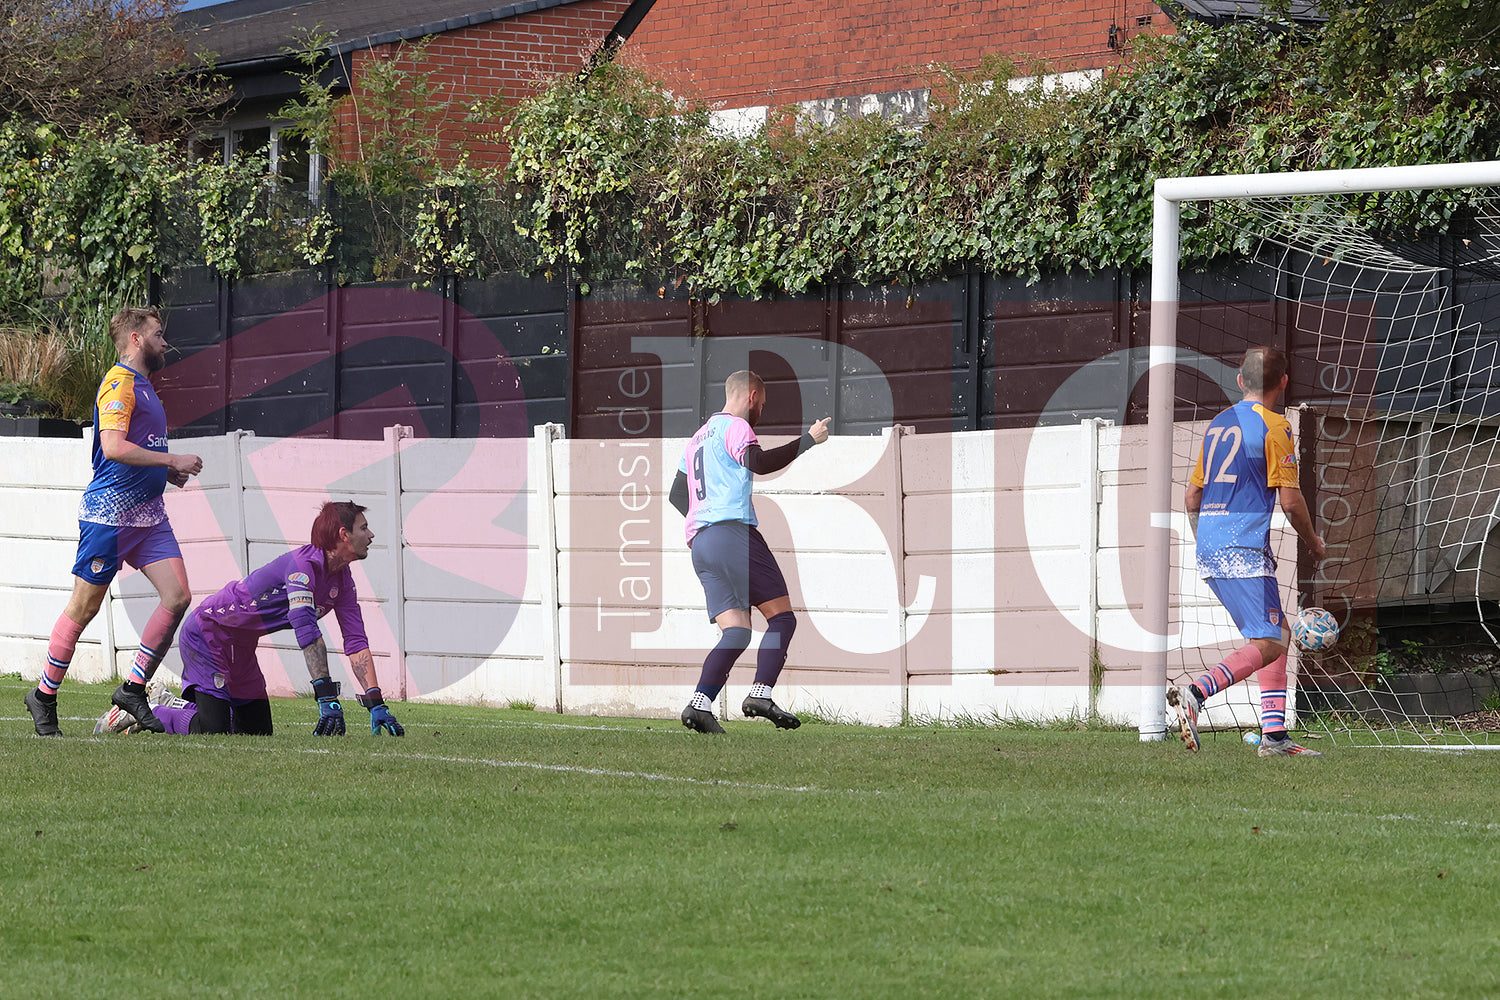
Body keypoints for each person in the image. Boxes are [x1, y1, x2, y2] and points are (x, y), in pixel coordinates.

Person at [24, 306, 203, 736]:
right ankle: (44, 696)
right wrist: (171, 458)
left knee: (177, 597)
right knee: (84, 608)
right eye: (158, 335)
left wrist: (165, 472)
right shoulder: (120, 385)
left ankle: (132, 689)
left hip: (148, 516)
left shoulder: (146, 387)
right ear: (137, 340)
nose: (165, 343)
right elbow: (114, 447)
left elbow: (136, 451)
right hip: (109, 516)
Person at [1173, 346, 1327, 757]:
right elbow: (1291, 502)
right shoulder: (1277, 427)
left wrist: (1206, 540)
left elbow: (1192, 496)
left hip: (1210, 545)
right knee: (1272, 640)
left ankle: (1274, 738)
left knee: (1277, 634)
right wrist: (1314, 543)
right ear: (1284, 383)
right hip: (1242, 547)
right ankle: (1197, 692)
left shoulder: (1217, 425)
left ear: (1240, 381)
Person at [668, 370, 830, 733]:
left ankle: (699, 705)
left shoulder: (695, 439)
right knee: (783, 618)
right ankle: (760, 693)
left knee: (737, 633)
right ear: (752, 395)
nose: (761, 412)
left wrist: (706, 519)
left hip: (701, 546)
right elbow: (759, 463)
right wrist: (808, 440)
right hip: (732, 536)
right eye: (763, 404)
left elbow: (677, 495)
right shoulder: (737, 426)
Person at [175, 500, 405, 736]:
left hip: (242, 644)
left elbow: (355, 642)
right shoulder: (302, 568)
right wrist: (326, 696)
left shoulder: (343, 578)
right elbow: (306, 630)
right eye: (364, 528)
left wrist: (376, 702)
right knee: (214, 733)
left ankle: (217, 707)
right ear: (344, 534)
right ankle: (163, 709)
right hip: (208, 632)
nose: (371, 535)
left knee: (258, 734)